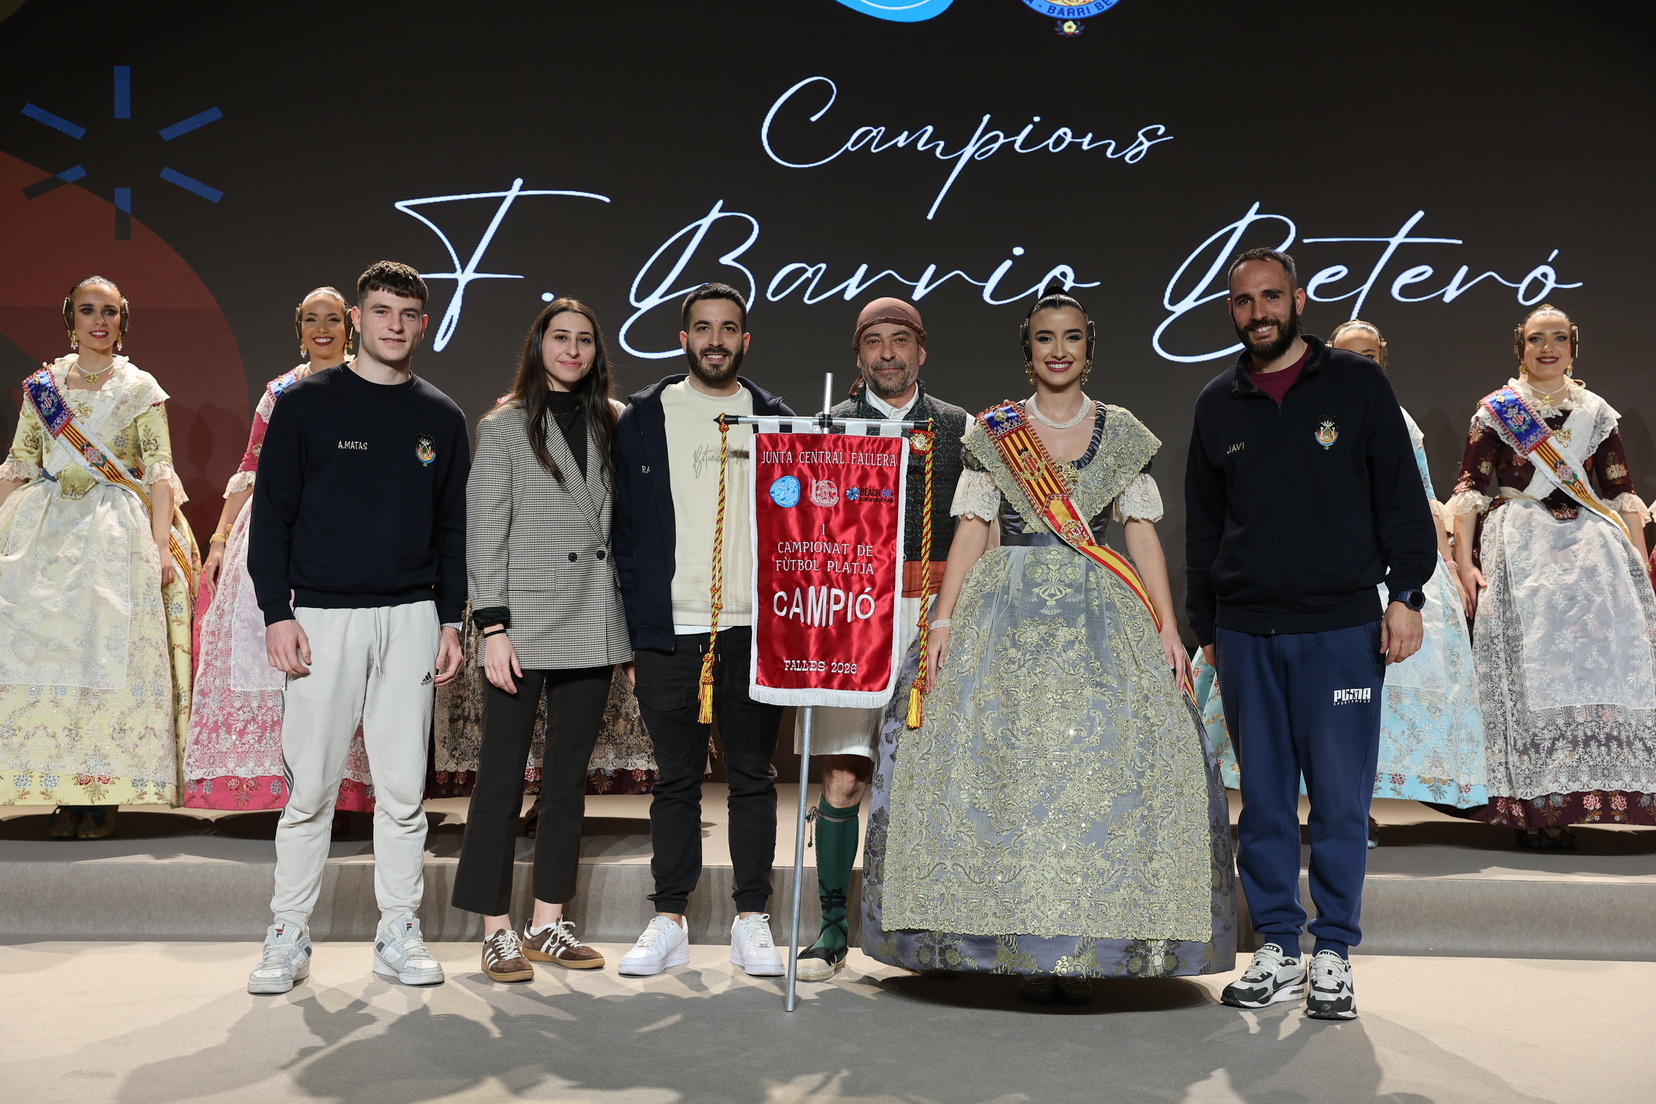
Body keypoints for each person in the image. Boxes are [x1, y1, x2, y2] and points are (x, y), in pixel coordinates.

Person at [870, 280, 1237, 1005]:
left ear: (1088, 351)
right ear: (1028, 350)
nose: (1058, 350)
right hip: (1002, 611)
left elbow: (1141, 534)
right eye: (1045, 338)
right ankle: (1006, 943)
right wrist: (942, 621)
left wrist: (1167, 626)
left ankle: (1092, 944)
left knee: (1099, 775)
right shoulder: (996, 431)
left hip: (1101, 612)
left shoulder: (1121, 431)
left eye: (1071, 338)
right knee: (1003, 773)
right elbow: (971, 530)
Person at [1185, 248, 1438, 1020]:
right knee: (1262, 801)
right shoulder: (1217, 403)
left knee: (1338, 799)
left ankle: (1332, 951)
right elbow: (1203, 527)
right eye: (1243, 301)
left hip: (1340, 627)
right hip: (1246, 632)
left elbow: (1401, 498)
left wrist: (1407, 595)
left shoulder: (1357, 384)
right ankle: (1278, 947)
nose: (1258, 311)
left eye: (1271, 297)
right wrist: (1208, 628)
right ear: (1232, 310)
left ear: (1298, 300)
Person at [244, 261, 468, 995]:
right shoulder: (305, 405)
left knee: (403, 790)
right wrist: (277, 612)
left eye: (407, 314)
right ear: (357, 320)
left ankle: (398, 930)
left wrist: (450, 619)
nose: (393, 325)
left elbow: (453, 528)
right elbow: (271, 518)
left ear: (423, 325)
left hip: (410, 617)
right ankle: (287, 934)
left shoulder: (441, 416)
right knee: (309, 788)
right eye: (380, 311)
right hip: (320, 617)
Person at [1193, 320, 1489, 834]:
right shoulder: (1236, 402)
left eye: (1370, 354)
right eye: (1352, 353)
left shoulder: (1388, 411)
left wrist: (1427, 577)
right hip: (1269, 604)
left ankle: (1353, 815)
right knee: (1270, 775)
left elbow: (1414, 497)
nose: (1362, 362)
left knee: (1344, 760)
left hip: (1361, 589)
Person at [613, 282, 794, 977]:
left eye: (728, 328)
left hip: (753, 630)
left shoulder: (775, 419)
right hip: (670, 631)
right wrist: (636, 631)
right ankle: (670, 919)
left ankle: (753, 919)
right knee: (676, 781)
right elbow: (624, 534)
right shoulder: (645, 417)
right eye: (702, 327)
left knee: (752, 777)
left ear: (745, 341)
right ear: (683, 337)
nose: (715, 340)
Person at [450, 298, 631, 982]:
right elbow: (484, 533)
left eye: (585, 339)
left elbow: (624, 530)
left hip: (593, 617)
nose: (573, 349)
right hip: (521, 622)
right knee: (499, 781)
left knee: (566, 784)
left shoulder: (616, 421)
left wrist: (630, 635)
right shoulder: (503, 426)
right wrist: (492, 628)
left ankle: (547, 923)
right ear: (539, 345)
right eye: (561, 337)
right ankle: (495, 929)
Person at [794, 297, 970, 982]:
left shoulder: (959, 426)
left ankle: (928, 927)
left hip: (934, 617)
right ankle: (832, 927)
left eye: (900, 340)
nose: (888, 353)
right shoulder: (826, 427)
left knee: (930, 776)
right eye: (874, 341)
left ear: (922, 349)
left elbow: (980, 533)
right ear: (858, 353)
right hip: (851, 615)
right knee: (844, 774)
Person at [1449, 304, 1656, 846]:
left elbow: (1620, 491)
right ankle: (1533, 803)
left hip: (1591, 544)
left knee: (1594, 665)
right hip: (1520, 540)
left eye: (1559, 338)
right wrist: (1465, 563)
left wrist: (1639, 564)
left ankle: (1586, 791)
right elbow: (1470, 489)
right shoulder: (1497, 410)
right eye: (1537, 339)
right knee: (1529, 669)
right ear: (1521, 347)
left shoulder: (1596, 412)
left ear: (1573, 346)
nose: (1548, 348)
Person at [0, 276, 198, 839]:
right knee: (46, 654)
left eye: (109, 311)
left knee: (103, 654)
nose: (99, 321)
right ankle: (61, 789)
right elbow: (20, 462)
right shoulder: (43, 388)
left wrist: (160, 545)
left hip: (114, 530)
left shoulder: (140, 388)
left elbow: (159, 470)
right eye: (88, 310)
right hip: (45, 529)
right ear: (71, 318)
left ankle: (103, 791)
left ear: (122, 320)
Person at [183, 288, 374, 813]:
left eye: (331, 319)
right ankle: (277, 787)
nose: (322, 329)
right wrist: (220, 539)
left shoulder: (368, 384)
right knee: (267, 651)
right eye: (312, 319)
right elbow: (250, 467)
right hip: (277, 528)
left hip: (345, 531)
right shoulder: (279, 392)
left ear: (349, 327)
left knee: (338, 658)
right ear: (299, 329)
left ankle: (338, 790)